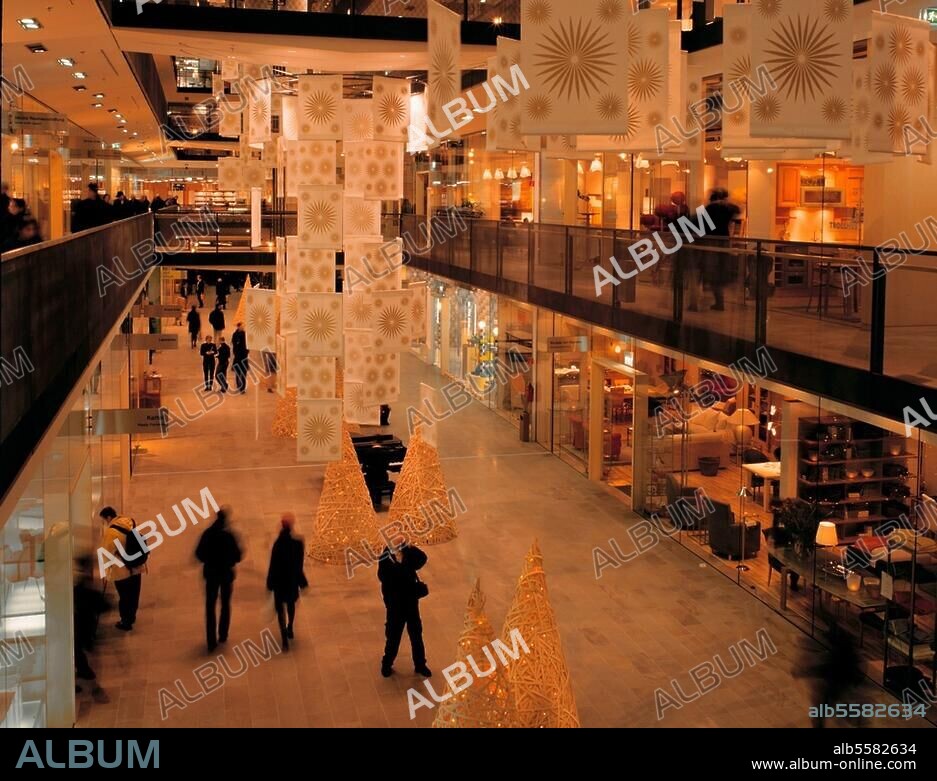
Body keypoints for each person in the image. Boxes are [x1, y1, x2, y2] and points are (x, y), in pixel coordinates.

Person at [377, 542, 431, 678]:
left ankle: (420, 664)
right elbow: (383, 577)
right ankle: (387, 663)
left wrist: (411, 546)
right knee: (393, 637)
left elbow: (422, 559)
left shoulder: (407, 551)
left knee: (416, 635)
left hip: (411, 602)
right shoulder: (385, 556)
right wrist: (403, 568)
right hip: (395, 605)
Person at [194, 507, 243, 653]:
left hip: (211, 574)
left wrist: (209, 560)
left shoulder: (207, 534)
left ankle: (211, 640)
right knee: (225, 604)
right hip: (226, 574)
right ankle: (223, 634)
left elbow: (199, 554)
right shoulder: (230, 536)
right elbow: (238, 556)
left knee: (210, 606)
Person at [98, 507, 145, 631]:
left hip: (122, 571)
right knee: (134, 594)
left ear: (108, 517)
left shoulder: (111, 533)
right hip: (136, 566)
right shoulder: (130, 521)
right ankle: (132, 617)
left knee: (124, 597)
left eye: (104, 520)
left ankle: (125, 621)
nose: (105, 523)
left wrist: (106, 571)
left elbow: (106, 553)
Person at [265, 514, 308, 651]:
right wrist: (302, 581)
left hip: (279, 582)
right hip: (291, 581)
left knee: (280, 610)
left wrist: (270, 583)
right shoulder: (298, 543)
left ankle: (284, 637)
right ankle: (290, 627)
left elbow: (273, 565)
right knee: (290, 605)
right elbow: (299, 565)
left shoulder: (278, 544)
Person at [73, 555, 108, 696]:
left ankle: (88, 683)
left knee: (81, 657)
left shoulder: (77, 587)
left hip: (80, 628)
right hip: (85, 628)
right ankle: (93, 686)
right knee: (85, 658)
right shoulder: (86, 586)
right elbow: (103, 605)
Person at [703, 188, 741, 312]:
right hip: (724, 241)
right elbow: (737, 210)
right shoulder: (728, 208)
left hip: (711, 241)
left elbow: (703, 224)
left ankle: (719, 301)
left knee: (713, 271)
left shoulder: (710, 209)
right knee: (721, 270)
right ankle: (720, 301)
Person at [231, 322, 249, 394]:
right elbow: (234, 344)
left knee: (244, 373)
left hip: (244, 356)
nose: (243, 327)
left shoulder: (245, 334)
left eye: (243, 326)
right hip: (238, 356)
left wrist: (247, 352)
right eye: (241, 326)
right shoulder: (235, 335)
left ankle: (242, 388)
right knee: (238, 373)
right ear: (238, 327)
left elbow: (248, 344)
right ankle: (239, 385)